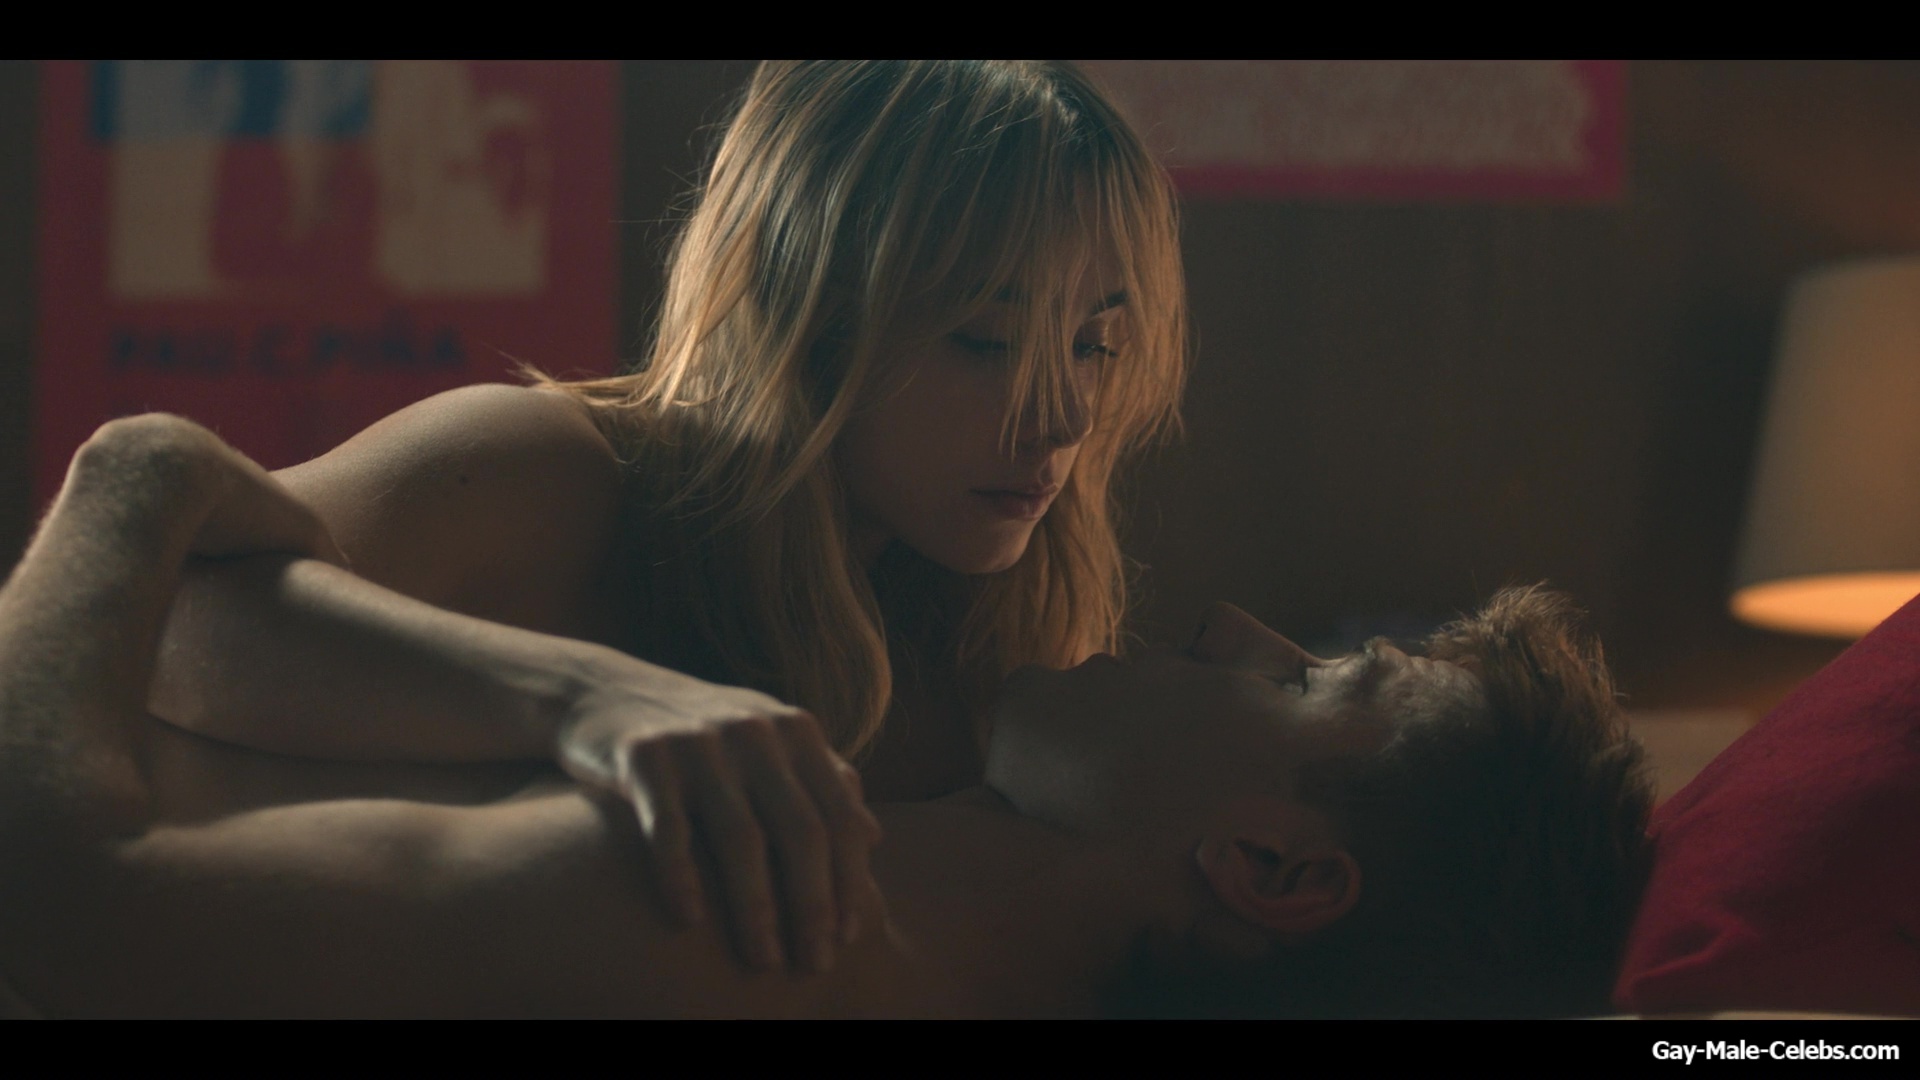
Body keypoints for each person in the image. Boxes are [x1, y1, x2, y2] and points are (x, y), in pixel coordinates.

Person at [1, 416, 1652, 1018]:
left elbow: (59, 905)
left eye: (1305, 686)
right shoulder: (851, 858)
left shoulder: (755, 910)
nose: (1229, 628)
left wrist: (138, 474)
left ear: (1270, 869)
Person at [145, 60, 1188, 974]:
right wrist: (582, 699)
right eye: (990, 340)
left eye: (1095, 345)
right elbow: (153, 609)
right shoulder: (547, 473)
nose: (1065, 417)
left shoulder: (976, 642)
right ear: (811, 308)